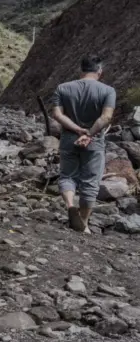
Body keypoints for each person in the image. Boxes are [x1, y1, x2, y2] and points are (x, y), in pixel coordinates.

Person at [51, 56, 116, 234]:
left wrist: (77, 130)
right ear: (100, 71)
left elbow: (57, 115)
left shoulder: (63, 88)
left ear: (80, 70)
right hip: (94, 141)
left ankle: (71, 205)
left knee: (67, 176)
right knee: (90, 181)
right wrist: (89, 133)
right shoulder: (108, 91)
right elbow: (106, 118)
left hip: (68, 139)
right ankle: (84, 223)